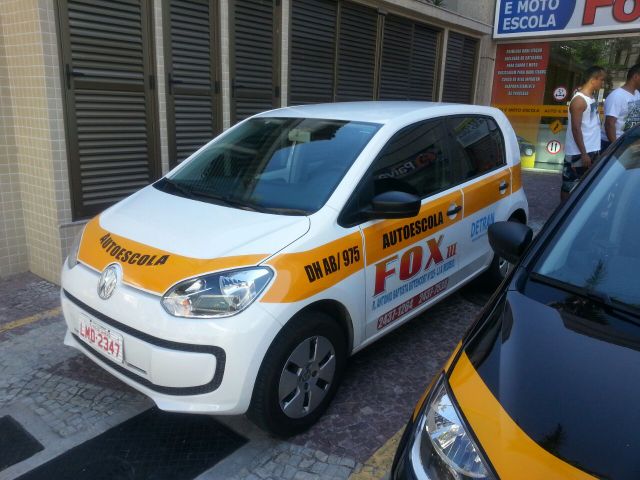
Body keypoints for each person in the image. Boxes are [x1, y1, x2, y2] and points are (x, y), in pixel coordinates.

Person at [561, 66, 606, 201]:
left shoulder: (591, 98)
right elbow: (576, 128)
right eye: (601, 80)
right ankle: (563, 215)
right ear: (593, 79)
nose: (602, 83)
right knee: (569, 185)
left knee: (585, 185)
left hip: (591, 149)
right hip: (579, 152)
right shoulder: (579, 101)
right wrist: (584, 153)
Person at [601, 63, 640, 150]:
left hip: (629, 142)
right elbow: (609, 124)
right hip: (613, 144)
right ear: (636, 77)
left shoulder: (637, 94)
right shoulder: (617, 96)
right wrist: (615, 148)